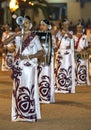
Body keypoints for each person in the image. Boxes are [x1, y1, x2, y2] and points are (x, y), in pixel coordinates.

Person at [3, 16, 44, 122]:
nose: (24, 24)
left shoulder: (34, 37)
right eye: (23, 22)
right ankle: (18, 113)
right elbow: (4, 43)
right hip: (19, 67)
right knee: (18, 88)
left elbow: (41, 52)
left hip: (30, 67)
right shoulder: (17, 36)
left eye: (27, 23)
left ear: (30, 25)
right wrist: (15, 35)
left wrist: (29, 56)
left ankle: (29, 114)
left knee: (28, 88)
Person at [55, 20, 75, 93]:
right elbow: (57, 42)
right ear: (62, 25)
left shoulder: (71, 32)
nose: (66, 26)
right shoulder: (59, 33)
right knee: (59, 69)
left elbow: (71, 37)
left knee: (66, 69)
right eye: (64, 24)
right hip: (60, 53)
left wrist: (66, 32)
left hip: (67, 54)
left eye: (67, 24)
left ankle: (67, 86)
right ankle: (60, 86)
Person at [37, 19, 55, 103]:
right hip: (39, 59)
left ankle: (46, 97)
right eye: (41, 25)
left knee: (46, 76)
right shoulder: (37, 35)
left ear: (48, 26)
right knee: (39, 76)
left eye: (43, 25)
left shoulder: (51, 35)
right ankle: (39, 96)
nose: (41, 27)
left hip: (47, 59)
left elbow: (53, 47)